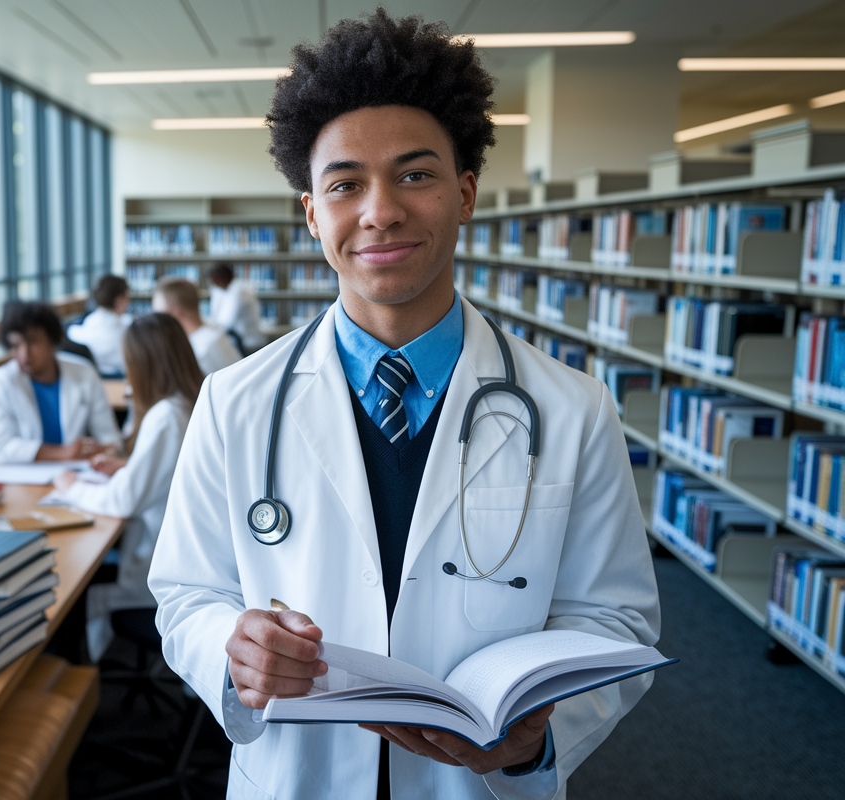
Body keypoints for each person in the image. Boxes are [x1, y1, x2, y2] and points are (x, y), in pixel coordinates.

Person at [147, 11, 660, 800]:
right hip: (297, 775)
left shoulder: (574, 409)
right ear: (313, 214)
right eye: (345, 184)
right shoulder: (233, 401)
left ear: (464, 193)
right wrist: (230, 645)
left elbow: (616, 622)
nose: (379, 210)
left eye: (415, 175)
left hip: (482, 784)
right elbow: (187, 593)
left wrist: (537, 735)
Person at [52, 313, 203, 658]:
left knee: (74, 594)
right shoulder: (186, 403)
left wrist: (70, 485)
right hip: (180, 556)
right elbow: (166, 472)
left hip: (159, 572)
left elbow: (123, 500)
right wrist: (130, 466)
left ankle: (86, 687)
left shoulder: (165, 417)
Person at [0, 301, 121, 464]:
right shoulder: (1, 381)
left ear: (52, 340)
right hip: (24, 479)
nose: (25, 355)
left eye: (33, 342)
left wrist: (105, 451)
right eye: (16, 345)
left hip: (77, 475)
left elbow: (109, 438)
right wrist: (64, 453)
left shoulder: (84, 373)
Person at [152, 277, 242, 375]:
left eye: (159, 315)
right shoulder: (213, 331)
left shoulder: (201, 350)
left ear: (176, 313)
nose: (157, 322)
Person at [67, 274, 132, 377]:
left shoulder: (81, 328)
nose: (129, 302)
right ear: (120, 300)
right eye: (127, 297)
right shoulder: (127, 333)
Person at [208, 263, 265, 354]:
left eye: (215, 281)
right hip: (241, 342)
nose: (214, 284)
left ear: (222, 278)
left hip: (249, 344)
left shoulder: (239, 290)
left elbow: (226, 321)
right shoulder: (226, 290)